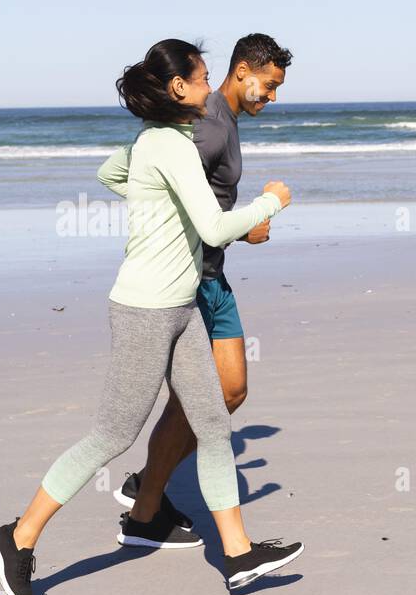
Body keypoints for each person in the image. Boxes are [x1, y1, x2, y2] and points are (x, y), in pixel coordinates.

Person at [0, 39, 303, 595]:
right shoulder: (173, 144)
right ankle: (17, 535)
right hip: (145, 308)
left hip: (179, 307)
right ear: (178, 86)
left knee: (210, 426)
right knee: (111, 435)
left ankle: (237, 555)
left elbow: (114, 172)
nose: (209, 89)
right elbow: (213, 228)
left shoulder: (163, 143)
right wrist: (272, 202)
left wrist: (157, 202)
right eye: (203, 78)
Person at [103, 34, 294, 549]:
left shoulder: (221, 118)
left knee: (229, 391)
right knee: (204, 401)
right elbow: (126, 173)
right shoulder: (206, 125)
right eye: (269, 85)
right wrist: (235, 221)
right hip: (192, 280)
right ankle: (148, 499)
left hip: (215, 275)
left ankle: (147, 492)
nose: (272, 96)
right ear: (241, 72)